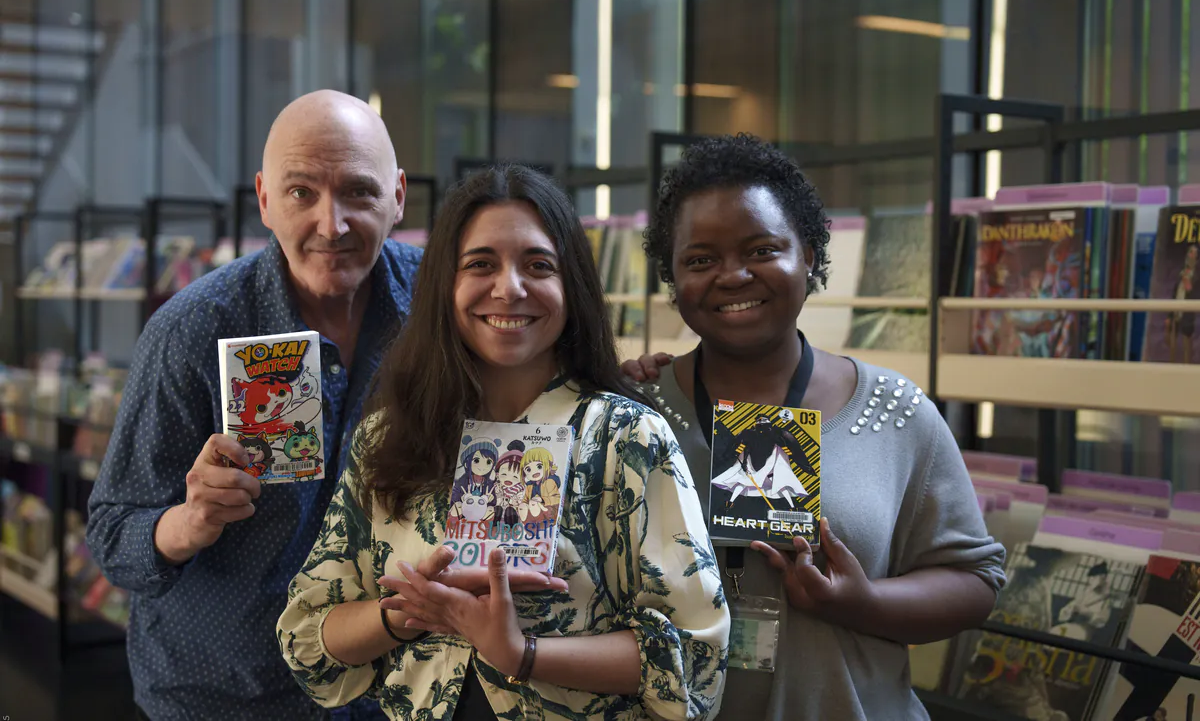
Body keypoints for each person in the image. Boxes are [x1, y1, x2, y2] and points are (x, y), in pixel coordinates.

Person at [85, 91, 553, 721]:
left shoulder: (445, 303)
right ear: (264, 199)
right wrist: (189, 522)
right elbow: (115, 536)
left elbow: (537, 367)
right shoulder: (192, 330)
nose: (331, 225)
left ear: (398, 198)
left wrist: (614, 382)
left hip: (395, 689)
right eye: (302, 192)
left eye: (358, 192)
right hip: (225, 692)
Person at [277, 165, 729, 720]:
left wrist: (525, 653)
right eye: (480, 264)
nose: (509, 288)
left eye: (538, 265)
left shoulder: (628, 438)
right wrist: (410, 611)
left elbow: (696, 655)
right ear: (446, 283)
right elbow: (307, 637)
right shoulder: (389, 437)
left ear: (573, 286)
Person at [620, 133, 1006, 720]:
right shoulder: (629, 414)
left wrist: (864, 602)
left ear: (810, 256)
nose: (733, 276)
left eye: (761, 250)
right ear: (673, 279)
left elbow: (975, 580)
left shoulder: (896, 414)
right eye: (700, 260)